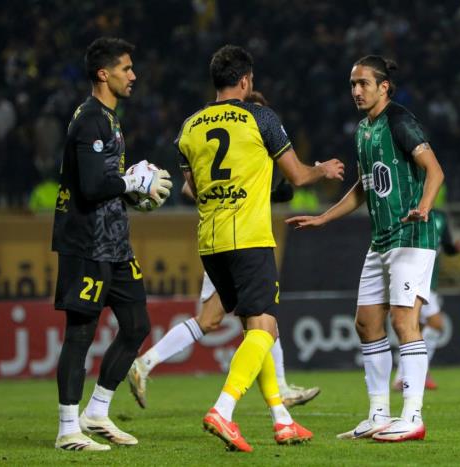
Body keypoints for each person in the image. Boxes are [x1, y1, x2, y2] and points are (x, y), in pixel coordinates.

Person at [176, 45, 344, 452]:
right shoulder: (260, 117)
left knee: (257, 328)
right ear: (246, 80)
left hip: (210, 241)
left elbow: (193, 189)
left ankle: (282, 421)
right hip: (248, 238)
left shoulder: (189, 127)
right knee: (265, 329)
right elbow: (298, 176)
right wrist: (322, 169)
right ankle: (223, 410)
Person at [286, 55, 444, 442]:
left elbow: (435, 170)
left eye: (363, 84)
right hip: (381, 239)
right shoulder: (363, 130)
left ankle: (413, 416)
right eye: (353, 85)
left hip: (410, 234)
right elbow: (364, 186)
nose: (356, 91)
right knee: (366, 323)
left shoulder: (400, 121)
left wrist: (424, 206)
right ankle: (378, 415)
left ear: (383, 87)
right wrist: (324, 217)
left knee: (404, 322)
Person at [128, 93, 320, 408]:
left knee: (220, 319)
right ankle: (257, 398)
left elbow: (199, 187)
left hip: (218, 240)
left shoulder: (213, 137)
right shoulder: (245, 137)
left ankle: (146, 363)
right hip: (238, 241)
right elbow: (192, 188)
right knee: (256, 320)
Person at [51, 37, 173, 451]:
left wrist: (131, 189)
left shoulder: (110, 119)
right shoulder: (90, 119)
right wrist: (130, 181)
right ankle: (68, 428)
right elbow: (89, 187)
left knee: (137, 325)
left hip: (115, 243)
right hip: (86, 242)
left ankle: (97, 411)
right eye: (126, 68)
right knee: (80, 333)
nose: (133, 75)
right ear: (104, 74)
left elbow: (107, 183)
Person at [393, 210, 460, 391]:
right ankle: (414, 373)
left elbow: (446, 246)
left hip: (429, 281)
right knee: (434, 324)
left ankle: (408, 375)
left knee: (416, 328)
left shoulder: (440, 217)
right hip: (412, 278)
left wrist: (455, 249)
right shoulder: (408, 210)